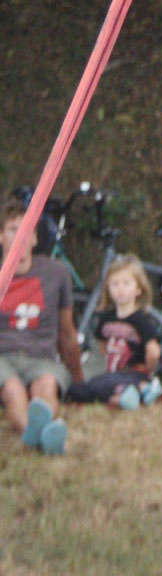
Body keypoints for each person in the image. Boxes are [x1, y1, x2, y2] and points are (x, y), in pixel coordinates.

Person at [0, 193, 82, 455]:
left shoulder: (56, 273)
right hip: (3, 357)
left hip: (41, 357)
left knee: (46, 386)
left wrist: (78, 380)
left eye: (28, 230)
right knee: (13, 390)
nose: (21, 236)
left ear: (35, 238)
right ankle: (33, 435)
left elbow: (67, 331)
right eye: (14, 229)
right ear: (1, 236)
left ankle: (43, 431)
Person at [68, 255, 162, 408]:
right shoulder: (106, 318)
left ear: (138, 289)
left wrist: (147, 371)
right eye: (115, 284)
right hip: (112, 374)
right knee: (81, 388)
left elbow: (154, 351)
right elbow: (102, 346)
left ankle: (142, 388)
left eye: (126, 283)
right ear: (108, 288)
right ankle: (130, 395)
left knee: (100, 387)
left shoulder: (142, 320)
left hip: (135, 373)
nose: (120, 289)